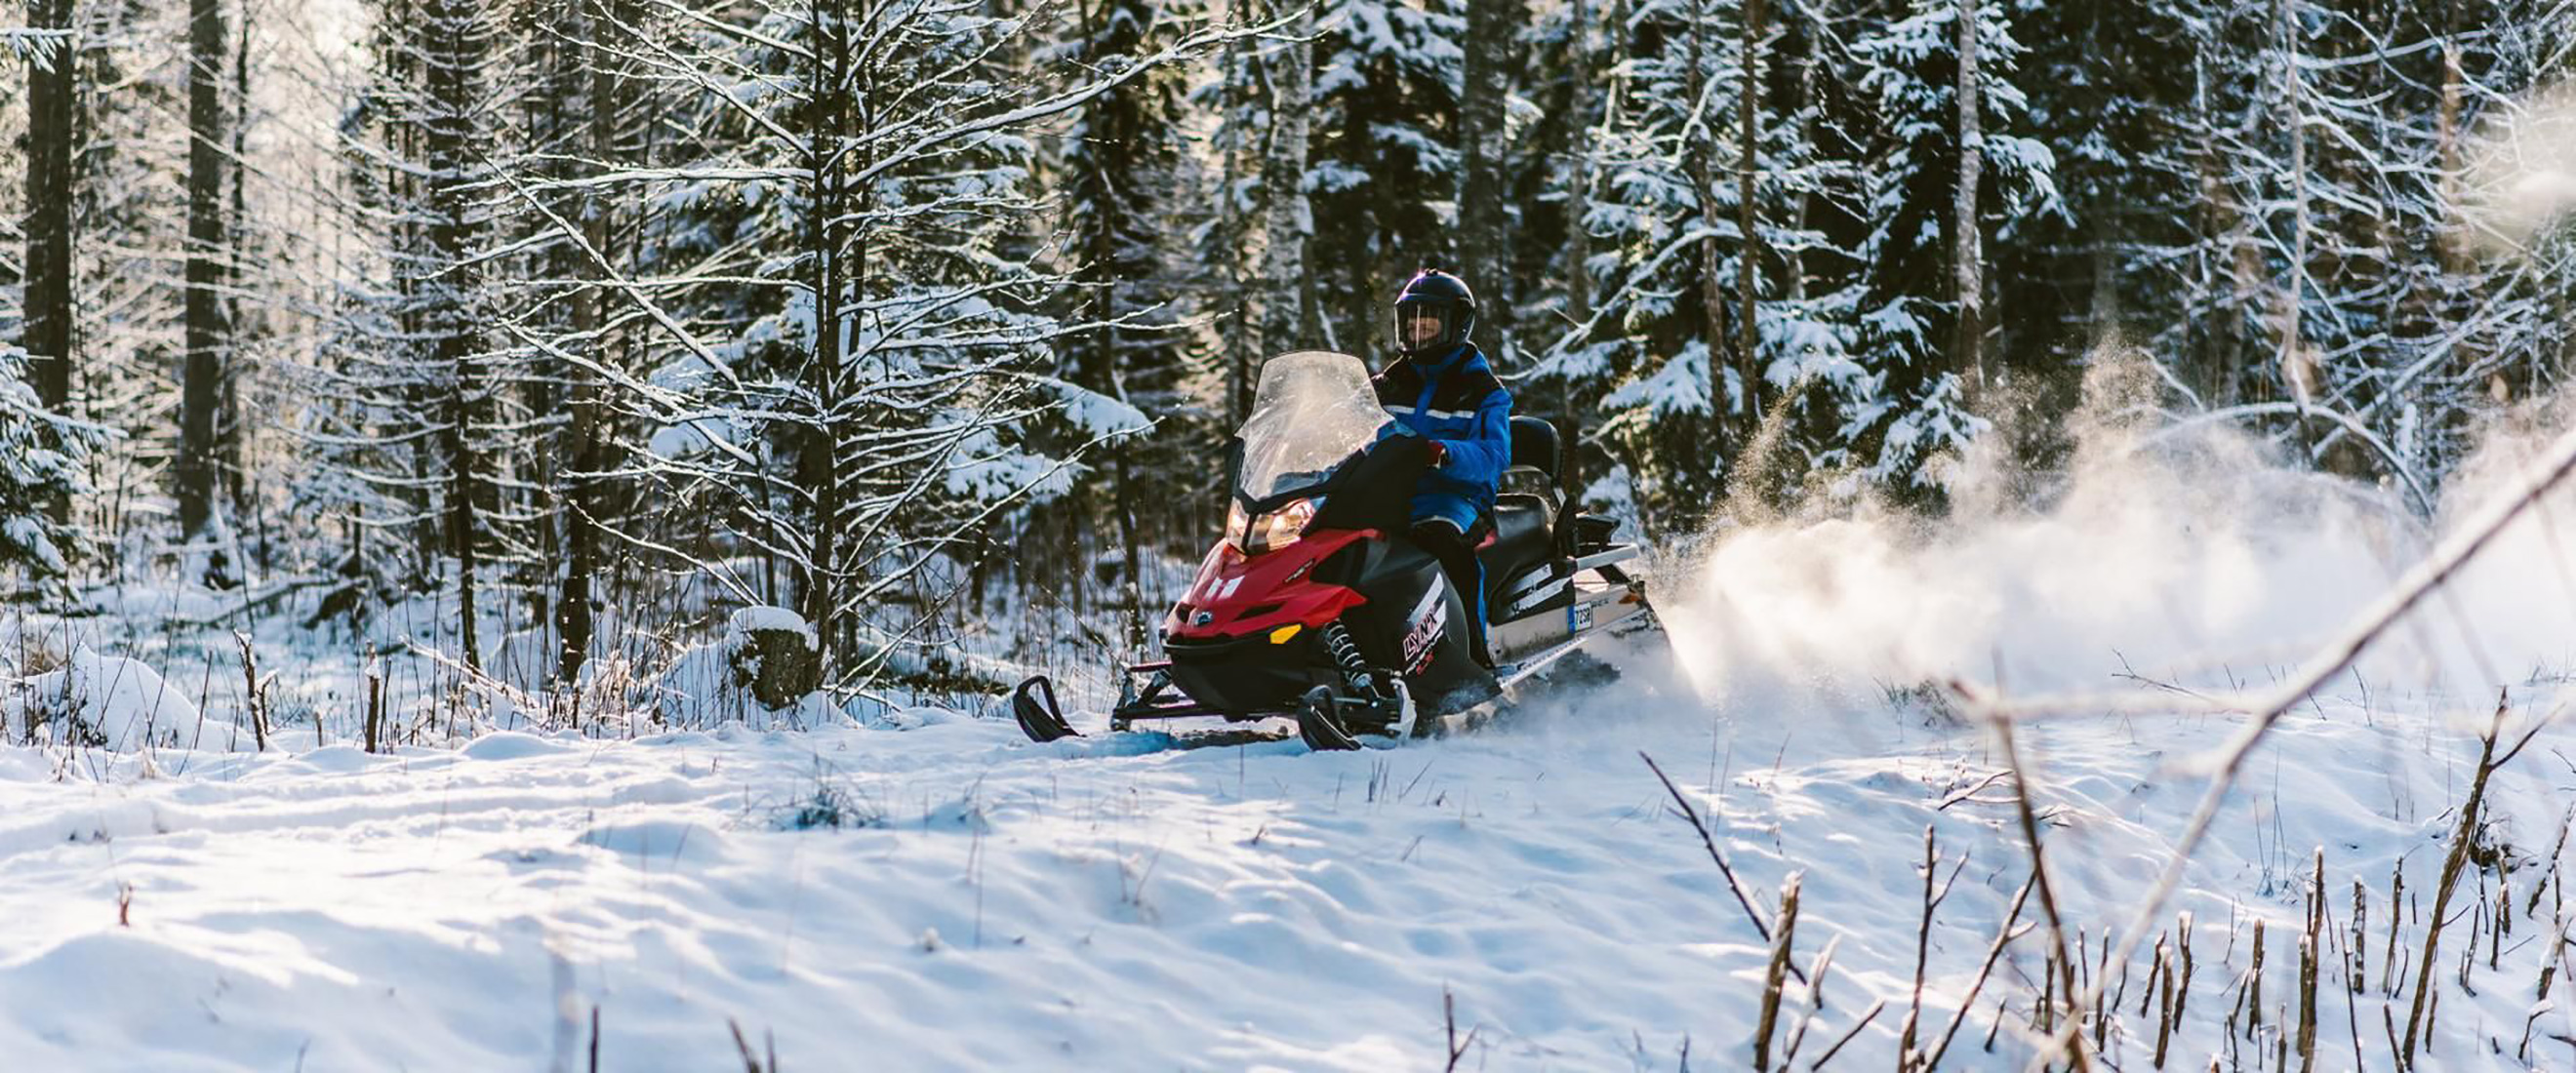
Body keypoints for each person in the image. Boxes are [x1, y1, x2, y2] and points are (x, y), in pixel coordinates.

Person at [1372, 268, 1511, 663]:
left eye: (1428, 322)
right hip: (1386, 494)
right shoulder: (1386, 384)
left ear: (1455, 324)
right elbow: (1350, 426)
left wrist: (1443, 452)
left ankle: (1471, 657)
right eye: (1411, 322)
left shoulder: (1483, 391)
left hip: (1456, 499)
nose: (1418, 331)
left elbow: (1492, 456)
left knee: (1443, 543)